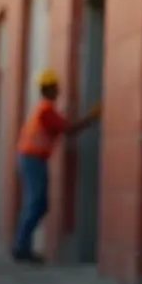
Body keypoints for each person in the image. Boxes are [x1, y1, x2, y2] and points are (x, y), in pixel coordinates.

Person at [12, 67, 99, 264]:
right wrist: (91, 118)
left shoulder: (45, 109)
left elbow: (61, 125)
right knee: (37, 203)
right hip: (32, 159)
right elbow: (68, 129)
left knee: (38, 204)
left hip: (32, 159)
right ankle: (20, 247)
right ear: (50, 88)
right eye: (56, 87)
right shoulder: (46, 111)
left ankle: (21, 245)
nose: (59, 90)